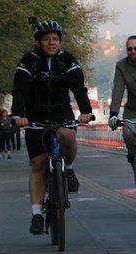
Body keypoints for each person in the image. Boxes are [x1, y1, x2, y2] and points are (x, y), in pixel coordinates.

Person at [11, 20, 93, 235]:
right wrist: (18, 115)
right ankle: (37, 214)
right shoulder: (29, 60)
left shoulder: (67, 60)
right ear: (38, 41)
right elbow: (19, 89)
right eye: (47, 39)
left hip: (61, 115)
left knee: (67, 135)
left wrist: (86, 111)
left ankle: (68, 169)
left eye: (55, 39)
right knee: (38, 164)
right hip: (34, 118)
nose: (51, 43)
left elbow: (78, 87)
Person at [108, 35, 136, 164]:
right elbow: (118, 90)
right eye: (129, 49)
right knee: (128, 134)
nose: (133, 51)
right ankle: (134, 159)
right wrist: (113, 114)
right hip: (133, 110)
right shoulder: (121, 66)